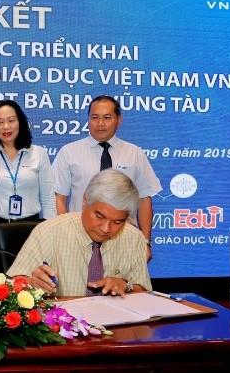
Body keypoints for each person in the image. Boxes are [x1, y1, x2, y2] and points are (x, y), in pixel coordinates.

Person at [7, 168, 152, 297]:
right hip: (62, 317)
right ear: (85, 201)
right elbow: (12, 284)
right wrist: (32, 283)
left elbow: (144, 292)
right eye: (99, 216)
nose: (105, 228)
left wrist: (126, 285)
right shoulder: (49, 231)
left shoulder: (134, 238)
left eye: (117, 222)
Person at [52, 94, 161, 259]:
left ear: (119, 120)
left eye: (107, 118)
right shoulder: (69, 152)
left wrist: (145, 241)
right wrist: (66, 235)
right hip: (80, 239)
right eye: (94, 117)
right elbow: (58, 198)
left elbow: (144, 199)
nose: (100, 123)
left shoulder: (135, 154)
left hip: (124, 239)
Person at [0, 100, 56, 276]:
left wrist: (50, 236)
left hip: (32, 231)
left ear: (20, 122)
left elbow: (48, 199)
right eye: (0, 122)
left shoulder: (38, 154)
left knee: (32, 286)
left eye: (11, 120)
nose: (6, 127)